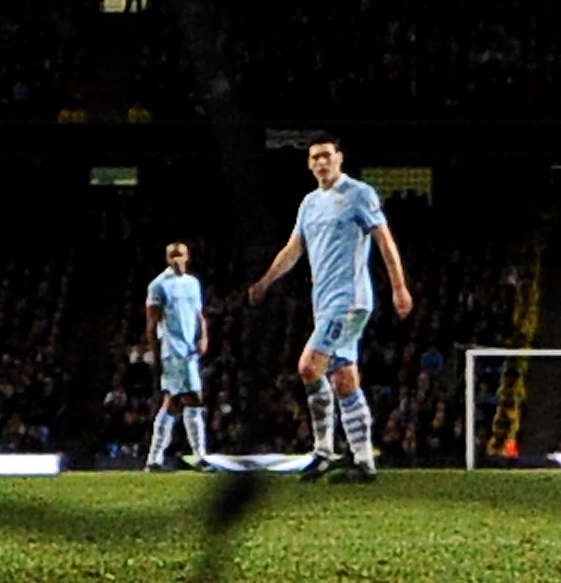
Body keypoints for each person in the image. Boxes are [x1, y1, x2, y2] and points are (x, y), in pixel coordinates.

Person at [247, 135, 414, 482]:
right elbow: (294, 249)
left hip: (349, 301)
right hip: (324, 304)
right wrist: (265, 281)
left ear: (339, 158)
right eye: (314, 158)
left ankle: (323, 451)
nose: (321, 162)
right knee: (343, 378)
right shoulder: (309, 203)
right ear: (309, 164)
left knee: (309, 367)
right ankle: (364, 461)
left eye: (326, 156)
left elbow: (385, 241)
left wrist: (399, 288)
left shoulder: (359, 194)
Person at [143, 238, 209, 470]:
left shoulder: (192, 283)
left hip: (190, 350)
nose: (178, 259)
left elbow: (199, 314)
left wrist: (203, 337)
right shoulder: (158, 285)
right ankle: (200, 455)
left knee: (173, 403)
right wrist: (155, 354)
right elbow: (152, 324)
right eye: (173, 256)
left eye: (181, 255)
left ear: (188, 257)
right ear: (168, 259)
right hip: (172, 351)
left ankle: (154, 458)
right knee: (193, 398)